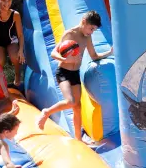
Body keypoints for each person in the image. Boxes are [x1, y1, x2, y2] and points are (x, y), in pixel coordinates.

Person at [36, 11, 112, 145]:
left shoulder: (87, 37)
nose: (91, 32)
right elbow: (54, 53)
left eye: (94, 30)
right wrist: (65, 59)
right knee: (70, 101)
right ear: (84, 21)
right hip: (63, 72)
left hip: (75, 73)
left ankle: (78, 139)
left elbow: (94, 56)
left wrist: (110, 53)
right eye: (91, 28)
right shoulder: (70, 34)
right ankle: (47, 112)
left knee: (77, 107)